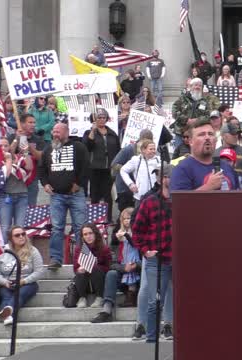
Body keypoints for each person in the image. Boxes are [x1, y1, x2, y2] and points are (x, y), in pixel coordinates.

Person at [132, 163, 175, 342]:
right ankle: (151, 340)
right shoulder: (149, 201)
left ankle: (180, 334)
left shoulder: (183, 200)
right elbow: (137, 230)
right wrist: (144, 250)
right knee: (154, 302)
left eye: (167, 175)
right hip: (157, 259)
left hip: (181, 258)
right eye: (162, 176)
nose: (164, 179)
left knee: (187, 300)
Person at [40, 123, 89, 270]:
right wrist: (45, 184)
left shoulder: (78, 147)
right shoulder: (48, 149)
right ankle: (55, 259)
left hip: (76, 194)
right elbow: (41, 168)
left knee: (81, 227)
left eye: (58, 131)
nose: (55, 134)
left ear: (66, 132)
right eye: (53, 131)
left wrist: (79, 183)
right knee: (56, 228)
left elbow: (86, 167)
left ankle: (84, 259)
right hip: (56, 196)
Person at [91, 208, 141, 323]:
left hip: (141, 277)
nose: (128, 221)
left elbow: (150, 260)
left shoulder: (141, 236)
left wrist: (136, 265)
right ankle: (107, 310)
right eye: (125, 219)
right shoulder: (117, 238)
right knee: (111, 273)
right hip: (123, 277)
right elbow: (111, 263)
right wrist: (124, 268)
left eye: (130, 219)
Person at [0, 226, 45, 326]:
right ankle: (8, 315)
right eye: (17, 235)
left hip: (28, 283)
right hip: (8, 283)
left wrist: (24, 281)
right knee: (6, 296)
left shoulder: (33, 251)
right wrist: (5, 282)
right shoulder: (3, 251)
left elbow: (39, 271)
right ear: (11, 239)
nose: (21, 237)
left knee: (19, 295)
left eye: (23, 234)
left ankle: (7, 312)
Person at [171, 119, 239, 191]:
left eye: (210, 134)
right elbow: (180, 201)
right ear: (190, 141)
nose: (207, 137)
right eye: (201, 134)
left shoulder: (227, 167)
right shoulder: (182, 169)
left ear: (215, 140)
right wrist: (208, 187)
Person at [0, 137, 33, 243]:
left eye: (6, 145)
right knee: (5, 226)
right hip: (5, 197)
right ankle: (5, 252)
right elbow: (6, 173)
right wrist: (8, 159)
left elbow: (29, 167)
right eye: (1, 145)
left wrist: (26, 153)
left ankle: (20, 253)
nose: (4, 147)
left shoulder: (17, 157)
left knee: (20, 227)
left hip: (22, 195)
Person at [83, 108, 120, 222]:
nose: (102, 120)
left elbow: (117, 149)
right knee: (95, 194)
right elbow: (87, 146)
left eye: (104, 117)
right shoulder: (88, 133)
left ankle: (108, 218)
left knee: (108, 195)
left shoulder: (112, 133)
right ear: (94, 119)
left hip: (108, 168)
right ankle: (95, 218)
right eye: (99, 117)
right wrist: (93, 132)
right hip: (94, 168)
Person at [8, 113, 46, 206]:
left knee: (31, 206)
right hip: (16, 178)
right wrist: (17, 138)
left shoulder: (38, 139)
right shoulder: (12, 137)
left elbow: (40, 157)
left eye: (34, 123)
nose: (33, 125)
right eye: (30, 122)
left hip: (32, 178)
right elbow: (8, 154)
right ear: (22, 124)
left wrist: (29, 147)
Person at [73, 224, 112, 308]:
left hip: (99, 281)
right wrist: (80, 269)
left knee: (95, 268)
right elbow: (75, 268)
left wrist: (92, 266)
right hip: (84, 282)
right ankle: (82, 298)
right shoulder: (79, 249)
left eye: (90, 233)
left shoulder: (104, 248)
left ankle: (99, 297)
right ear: (82, 237)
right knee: (80, 272)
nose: (88, 236)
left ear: (95, 234)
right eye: (85, 234)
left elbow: (109, 267)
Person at [172, 78, 212, 149]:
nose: (197, 87)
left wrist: (197, 121)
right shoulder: (182, 98)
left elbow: (208, 116)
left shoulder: (205, 102)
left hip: (197, 133)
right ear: (191, 87)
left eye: (200, 86)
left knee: (196, 156)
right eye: (195, 85)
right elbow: (174, 111)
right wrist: (186, 120)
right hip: (181, 132)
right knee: (178, 156)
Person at [119, 139, 162, 204]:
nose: (153, 151)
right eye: (151, 149)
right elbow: (123, 170)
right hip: (140, 197)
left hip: (156, 196)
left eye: (154, 149)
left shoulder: (159, 160)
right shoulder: (136, 160)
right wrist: (130, 184)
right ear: (143, 150)